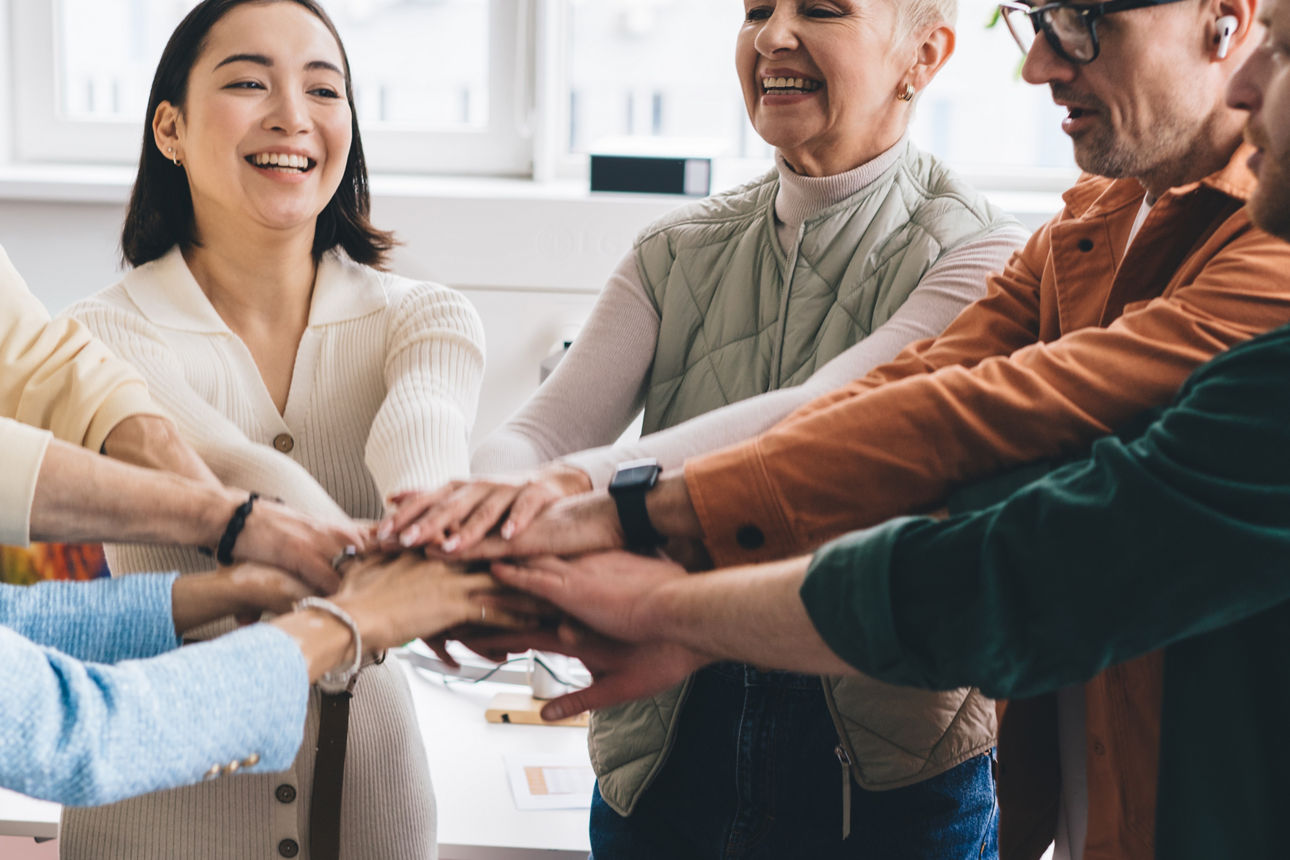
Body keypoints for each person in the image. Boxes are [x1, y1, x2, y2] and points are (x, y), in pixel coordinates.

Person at [427, 0, 1290, 858]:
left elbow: (997, 486)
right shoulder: (1081, 232)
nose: (1039, 64)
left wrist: (623, 521)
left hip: (892, 767)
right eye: (1043, 19)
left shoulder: (1246, 266)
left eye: (1085, 21)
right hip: (692, 749)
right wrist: (537, 507)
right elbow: (908, 397)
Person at [405, 1, 1025, 856]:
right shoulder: (675, 250)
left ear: (925, 54)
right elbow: (541, 435)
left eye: (820, 9)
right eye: (755, 10)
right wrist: (480, 510)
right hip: (665, 752)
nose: (772, 35)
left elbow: (823, 417)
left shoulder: (987, 256)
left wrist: (568, 495)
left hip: (886, 771)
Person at [60, 1, 486, 857]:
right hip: (155, 814)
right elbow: (233, 478)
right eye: (250, 82)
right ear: (170, 129)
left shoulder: (428, 319)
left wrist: (434, 527)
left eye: (324, 90)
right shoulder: (95, 338)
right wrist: (408, 569)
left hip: (372, 803)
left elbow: (424, 457)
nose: (293, 114)